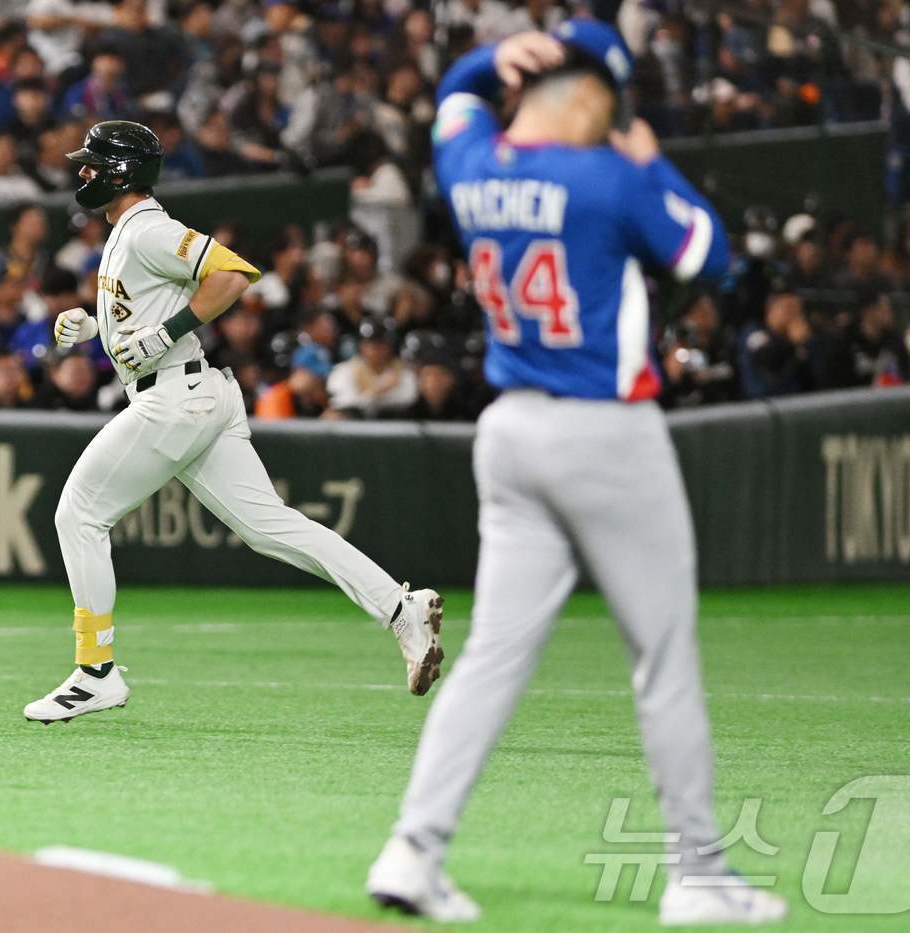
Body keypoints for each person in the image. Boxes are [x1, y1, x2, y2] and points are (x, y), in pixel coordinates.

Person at [365, 25, 788, 926]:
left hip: (511, 432)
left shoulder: (472, 161)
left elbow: (453, 99)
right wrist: (654, 162)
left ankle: (413, 847)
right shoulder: (609, 174)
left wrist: (488, 60)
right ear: (595, 98)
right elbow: (707, 255)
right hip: (606, 433)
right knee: (663, 659)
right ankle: (701, 873)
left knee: (489, 659)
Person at [22, 120, 445, 725]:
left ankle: (96, 672)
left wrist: (164, 333)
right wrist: (97, 327)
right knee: (271, 527)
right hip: (196, 392)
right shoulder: (129, 232)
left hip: (173, 398)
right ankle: (401, 608)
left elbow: (233, 273)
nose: (82, 172)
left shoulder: (147, 228)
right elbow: (146, 306)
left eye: (93, 163)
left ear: (122, 171)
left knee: (79, 514)